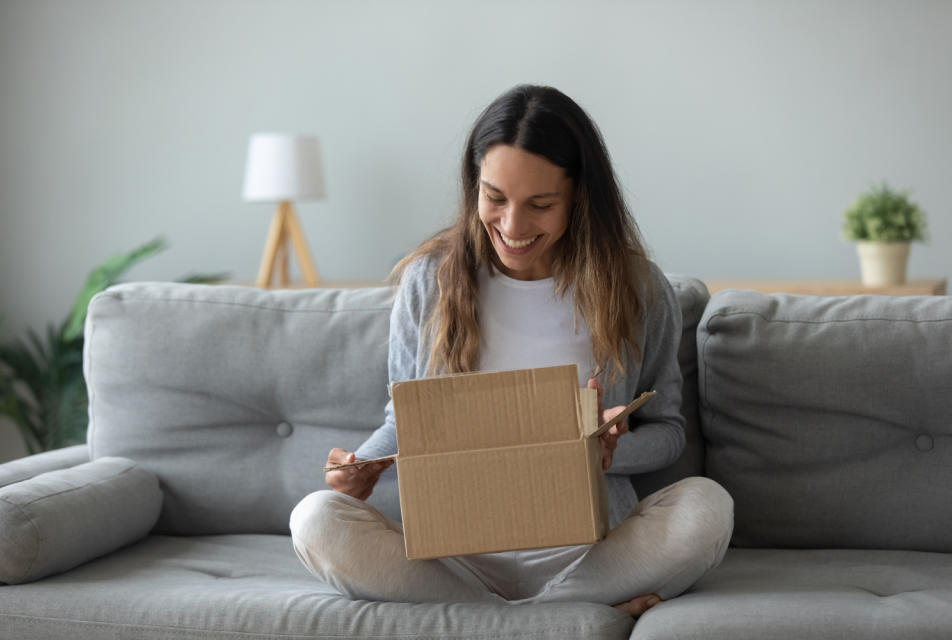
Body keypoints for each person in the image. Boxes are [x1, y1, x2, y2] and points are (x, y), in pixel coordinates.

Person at [290, 84, 733, 617]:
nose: (513, 227)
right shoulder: (430, 281)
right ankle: (566, 617)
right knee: (315, 518)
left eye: (541, 205)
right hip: (454, 557)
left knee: (708, 506)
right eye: (495, 198)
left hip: (592, 552)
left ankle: (491, 620)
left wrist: (609, 450)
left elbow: (668, 433)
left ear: (580, 198)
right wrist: (363, 465)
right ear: (473, 185)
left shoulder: (637, 288)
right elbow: (405, 417)